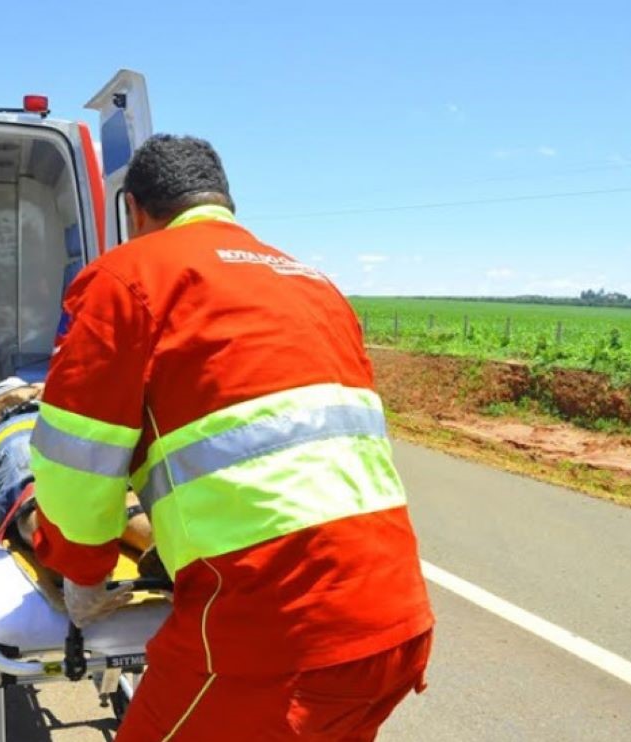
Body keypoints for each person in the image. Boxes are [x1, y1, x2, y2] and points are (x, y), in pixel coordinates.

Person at [27, 135, 434, 739]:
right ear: (224, 201)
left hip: (269, 636)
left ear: (135, 210)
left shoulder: (129, 278)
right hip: (394, 623)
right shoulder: (314, 286)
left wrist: (80, 572)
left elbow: (76, 462)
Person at [0, 377, 153, 553]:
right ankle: (55, 547)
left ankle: (154, 545)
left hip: (67, 429)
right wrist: (10, 398)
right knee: (27, 476)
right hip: (18, 431)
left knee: (110, 486)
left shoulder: (54, 385)